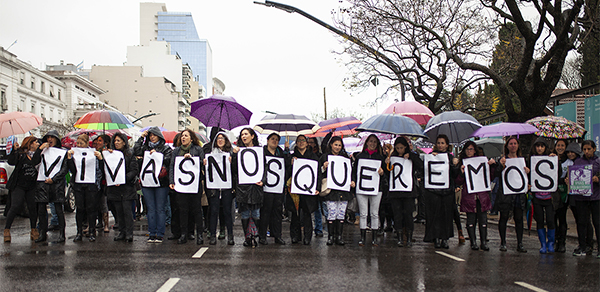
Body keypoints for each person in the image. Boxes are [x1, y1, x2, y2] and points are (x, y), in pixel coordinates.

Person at [134, 126, 173, 243]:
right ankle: (152, 233)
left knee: (160, 209)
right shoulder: (145, 148)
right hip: (147, 182)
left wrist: (157, 155)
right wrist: (141, 138)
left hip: (161, 183)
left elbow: (169, 160)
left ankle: (160, 233)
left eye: (154, 135)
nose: (152, 137)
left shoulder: (166, 148)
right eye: (150, 135)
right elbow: (136, 150)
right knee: (150, 209)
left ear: (159, 136)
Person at [456, 141, 494, 251]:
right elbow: (458, 181)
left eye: (471, 149)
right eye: (467, 149)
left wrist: (491, 166)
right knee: (471, 219)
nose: (469, 151)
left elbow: (490, 176)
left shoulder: (481, 162)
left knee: (483, 220)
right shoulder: (462, 164)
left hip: (481, 195)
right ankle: (473, 242)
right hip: (469, 195)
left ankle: (483, 242)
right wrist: (461, 173)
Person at [423, 134, 459, 249]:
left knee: (446, 215)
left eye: (442, 143)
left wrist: (454, 165)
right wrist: (432, 158)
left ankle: (445, 239)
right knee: (435, 215)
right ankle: (436, 238)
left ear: (447, 145)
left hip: (447, 191)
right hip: (434, 191)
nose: (440, 145)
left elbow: (454, 175)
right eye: (438, 143)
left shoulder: (450, 157)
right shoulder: (431, 155)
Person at [169, 129, 205, 245]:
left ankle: (199, 234)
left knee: (196, 210)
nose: (183, 138)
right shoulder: (176, 151)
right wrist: (172, 180)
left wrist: (193, 158)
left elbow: (202, 164)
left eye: (185, 136)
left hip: (194, 185)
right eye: (182, 136)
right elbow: (172, 166)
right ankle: (183, 233)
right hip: (181, 186)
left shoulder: (198, 149)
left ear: (191, 138)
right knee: (182, 210)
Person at [384, 136, 422, 247]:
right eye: (397, 148)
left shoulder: (411, 156)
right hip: (395, 191)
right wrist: (387, 163)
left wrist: (411, 156)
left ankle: (409, 237)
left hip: (408, 191)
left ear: (405, 147)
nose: (399, 150)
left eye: (401, 148)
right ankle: (400, 237)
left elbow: (420, 166)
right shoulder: (393, 157)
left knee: (408, 215)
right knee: (397, 215)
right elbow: (388, 174)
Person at [101, 132, 138, 242]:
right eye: (115, 141)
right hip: (115, 188)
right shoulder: (110, 154)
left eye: (118, 140)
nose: (116, 143)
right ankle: (122, 232)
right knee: (119, 212)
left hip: (127, 188)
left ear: (124, 141)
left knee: (127, 211)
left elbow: (134, 170)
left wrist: (123, 179)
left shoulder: (130, 154)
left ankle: (129, 233)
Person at [4, 136, 41, 242]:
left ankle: (33, 229)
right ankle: (7, 229)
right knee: (15, 206)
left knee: (32, 207)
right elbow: (11, 162)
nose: (37, 144)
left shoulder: (37, 155)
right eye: (35, 142)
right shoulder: (20, 154)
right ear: (30, 144)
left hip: (31, 185)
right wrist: (14, 150)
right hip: (19, 185)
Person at [232, 128, 265, 247]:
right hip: (243, 188)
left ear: (252, 136)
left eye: (246, 134)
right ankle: (247, 237)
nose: (243, 136)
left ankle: (255, 235)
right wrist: (234, 155)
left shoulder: (260, 151)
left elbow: (264, 168)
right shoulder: (238, 151)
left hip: (256, 187)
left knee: (256, 214)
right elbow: (234, 170)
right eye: (241, 135)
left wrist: (263, 181)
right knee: (245, 214)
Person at [495, 136, 528, 253]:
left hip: (519, 194)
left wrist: (527, 172)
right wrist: (500, 165)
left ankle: (520, 243)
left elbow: (527, 176)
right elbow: (496, 174)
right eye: (511, 144)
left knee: (519, 218)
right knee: (503, 217)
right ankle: (503, 242)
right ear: (507, 146)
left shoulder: (523, 160)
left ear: (518, 145)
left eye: (515, 143)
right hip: (506, 194)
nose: (513, 146)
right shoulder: (503, 159)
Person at [67, 134, 102, 242]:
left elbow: (99, 169)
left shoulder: (93, 153)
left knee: (91, 208)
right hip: (78, 184)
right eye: (78, 143)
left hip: (91, 184)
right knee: (80, 208)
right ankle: (79, 232)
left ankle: (92, 231)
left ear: (87, 144)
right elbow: (73, 170)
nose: (79, 145)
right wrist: (69, 159)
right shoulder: (74, 153)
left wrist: (100, 159)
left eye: (81, 143)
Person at [320, 136, 355, 246]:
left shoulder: (344, 157)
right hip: (331, 190)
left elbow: (350, 172)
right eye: (335, 145)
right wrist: (323, 167)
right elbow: (318, 172)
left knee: (341, 213)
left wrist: (352, 181)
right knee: (331, 213)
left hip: (343, 191)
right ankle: (330, 236)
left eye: (339, 145)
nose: (337, 147)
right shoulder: (325, 157)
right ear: (331, 145)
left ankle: (339, 236)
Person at [35, 130, 69, 243]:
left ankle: (62, 234)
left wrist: (54, 179)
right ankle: (42, 233)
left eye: (52, 137)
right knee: (41, 209)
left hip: (56, 183)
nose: (50, 140)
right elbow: (34, 162)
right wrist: (39, 149)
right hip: (42, 182)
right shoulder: (42, 151)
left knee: (58, 209)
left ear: (56, 139)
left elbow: (64, 169)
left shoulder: (63, 152)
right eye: (48, 137)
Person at [352, 134, 386, 246]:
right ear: (366, 142)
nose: (372, 144)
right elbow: (354, 171)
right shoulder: (359, 156)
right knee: (363, 213)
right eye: (370, 141)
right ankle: (362, 238)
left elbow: (386, 175)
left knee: (374, 213)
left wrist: (382, 172)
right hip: (361, 188)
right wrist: (353, 181)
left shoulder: (381, 158)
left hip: (376, 188)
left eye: (375, 142)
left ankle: (374, 238)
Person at [287, 134, 321, 245]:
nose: (301, 142)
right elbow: (287, 173)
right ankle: (295, 236)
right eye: (299, 140)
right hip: (295, 190)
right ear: (296, 143)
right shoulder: (292, 156)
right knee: (295, 214)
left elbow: (318, 174)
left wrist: (317, 188)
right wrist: (291, 163)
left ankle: (307, 236)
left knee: (307, 214)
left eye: (303, 140)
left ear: (307, 143)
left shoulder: (313, 156)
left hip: (308, 189)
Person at [568, 140, 600, 258]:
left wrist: (598, 180)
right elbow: (573, 177)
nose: (586, 151)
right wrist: (569, 181)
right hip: (580, 197)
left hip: (595, 197)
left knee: (597, 223)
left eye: (589, 149)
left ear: (594, 149)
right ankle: (582, 246)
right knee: (582, 222)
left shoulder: (598, 162)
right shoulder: (578, 161)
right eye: (585, 149)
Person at [203, 132, 235, 245]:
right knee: (213, 211)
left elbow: (235, 171)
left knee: (227, 211)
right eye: (218, 138)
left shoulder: (230, 153)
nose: (220, 140)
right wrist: (205, 164)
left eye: (222, 138)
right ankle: (212, 235)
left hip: (226, 188)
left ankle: (230, 235)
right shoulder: (210, 153)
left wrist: (232, 162)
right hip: (214, 187)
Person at [528, 137, 558, 253]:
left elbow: (557, 174)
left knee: (551, 220)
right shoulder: (530, 160)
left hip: (550, 198)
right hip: (537, 197)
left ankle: (550, 242)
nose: (539, 148)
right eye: (537, 146)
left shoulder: (551, 158)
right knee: (539, 220)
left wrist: (555, 160)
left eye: (542, 146)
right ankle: (543, 244)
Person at [259, 132, 289, 245]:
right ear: (267, 140)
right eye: (272, 139)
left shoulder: (280, 152)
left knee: (277, 212)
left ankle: (277, 235)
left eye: (277, 139)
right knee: (265, 212)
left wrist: (287, 150)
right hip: (266, 187)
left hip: (278, 187)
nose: (275, 141)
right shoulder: (262, 152)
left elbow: (286, 165)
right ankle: (262, 235)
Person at [553, 139, 569, 253]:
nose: (560, 147)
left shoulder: (569, 161)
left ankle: (562, 242)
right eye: (558, 145)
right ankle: (554, 240)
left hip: (564, 193)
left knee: (562, 218)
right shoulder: (551, 158)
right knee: (552, 218)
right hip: (553, 192)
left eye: (562, 145)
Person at [93, 135, 111, 233]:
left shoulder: (108, 153)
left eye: (100, 141)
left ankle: (106, 224)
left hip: (103, 182)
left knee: (103, 204)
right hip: (95, 182)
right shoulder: (95, 152)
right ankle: (99, 221)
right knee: (95, 203)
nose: (98, 143)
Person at [308, 136, 325, 238]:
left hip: (315, 185)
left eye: (312, 142)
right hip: (306, 185)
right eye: (308, 142)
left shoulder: (319, 156)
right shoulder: (303, 154)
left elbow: (320, 172)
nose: (310, 144)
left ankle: (318, 229)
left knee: (317, 208)